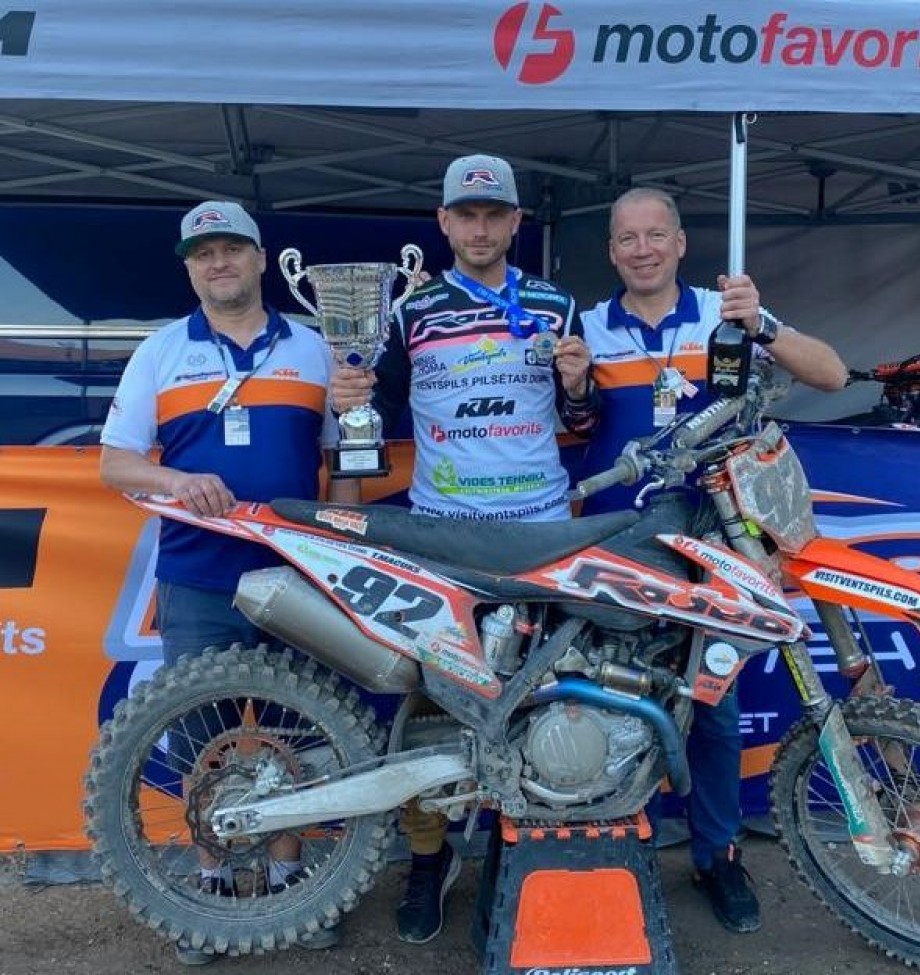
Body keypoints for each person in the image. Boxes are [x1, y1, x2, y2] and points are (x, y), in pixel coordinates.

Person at [329, 153, 598, 943]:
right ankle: (428, 856)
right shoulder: (408, 311)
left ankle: (534, 847)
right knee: (429, 700)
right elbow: (373, 420)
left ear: (516, 222)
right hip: (444, 532)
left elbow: (581, 424)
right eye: (466, 215)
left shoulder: (555, 304)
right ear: (444, 223)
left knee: (550, 691)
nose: (480, 228)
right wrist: (349, 399)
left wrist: (578, 388)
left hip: (542, 528)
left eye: (494, 214)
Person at [577, 186, 847, 934]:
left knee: (714, 707)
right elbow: (564, 417)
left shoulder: (722, 313)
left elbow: (832, 373)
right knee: (613, 700)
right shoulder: (588, 327)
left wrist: (762, 324)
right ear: (611, 251)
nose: (642, 250)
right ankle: (618, 847)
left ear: (680, 242)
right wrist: (571, 382)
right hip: (620, 542)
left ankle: (717, 856)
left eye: (654, 235)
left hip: (717, 537)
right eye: (627, 238)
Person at [99, 200, 352, 965]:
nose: (218, 263)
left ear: (260, 258)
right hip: (197, 578)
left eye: (231, 249)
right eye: (203, 253)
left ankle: (289, 878)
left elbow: (345, 460)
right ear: (189, 268)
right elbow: (116, 462)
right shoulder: (161, 352)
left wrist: (343, 550)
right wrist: (177, 481)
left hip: (295, 576)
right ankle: (209, 887)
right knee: (202, 741)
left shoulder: (315, 348)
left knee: (296, 734)